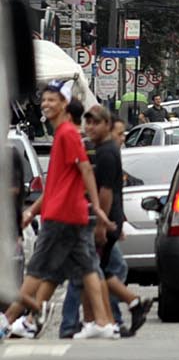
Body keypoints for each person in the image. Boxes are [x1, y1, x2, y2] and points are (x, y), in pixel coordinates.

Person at [4, 86, 118, 340]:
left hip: (62, 214)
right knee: (88, 269)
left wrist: (97, 207)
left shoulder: (67, 134)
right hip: (66, 212)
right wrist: (32, 212)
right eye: (43, 99)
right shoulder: (62, 135)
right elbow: (55, 184)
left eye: (52, 100)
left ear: (64, 103)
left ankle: (10, 318)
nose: (46, 104)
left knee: (36, 269)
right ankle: (101, 322)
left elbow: (86, 169)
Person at [61, 106, 152, 338]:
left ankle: (100, 321)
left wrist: (102, 224)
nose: (90, 128)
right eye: (87, 123)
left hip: (104, 221)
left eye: (96, 123)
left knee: (92, 270)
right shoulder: (105, 150)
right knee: (100, 270)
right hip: (109, 219)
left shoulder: (106, 152)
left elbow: (107, 191)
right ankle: (123, 309)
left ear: (107, 126)